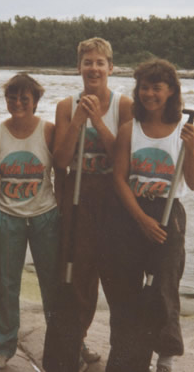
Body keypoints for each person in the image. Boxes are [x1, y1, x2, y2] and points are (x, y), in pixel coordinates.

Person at [108, 58, 194, 372]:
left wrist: (193, 151)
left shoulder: (185, 131)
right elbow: (119, 179)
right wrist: (140, 219)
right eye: (144, 88)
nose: (150, 94)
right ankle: (129, 359)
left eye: (157, 88)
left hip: (168, 213)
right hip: (132, 213)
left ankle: (165, 355)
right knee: (127, 288)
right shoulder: (128, 129)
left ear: (172, 91)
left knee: (164, 284)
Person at [52, 37, 133, 368]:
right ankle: (77, 340)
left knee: (114, 273)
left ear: (111, 68)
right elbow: (60, 159)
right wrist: (78, 119)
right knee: (78, 272)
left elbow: (123, 157)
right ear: (79, 68)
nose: (94, 68)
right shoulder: (65, 106)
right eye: (88, 62)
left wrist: (97, 119)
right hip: (77, 195)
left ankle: (123, 346)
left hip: (112, 197)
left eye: (101, 63)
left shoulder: (123, 106)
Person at [0, 73, 62, 369]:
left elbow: (61, 172)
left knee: (53, 284)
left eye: (24, 98)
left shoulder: (49, 130)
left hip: (45, 216)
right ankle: (2, 346)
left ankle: (64, 343)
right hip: (8, 218)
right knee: (5, 284)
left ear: (36, 102)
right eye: (12, 97)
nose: (17, 103)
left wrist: (60, 212)